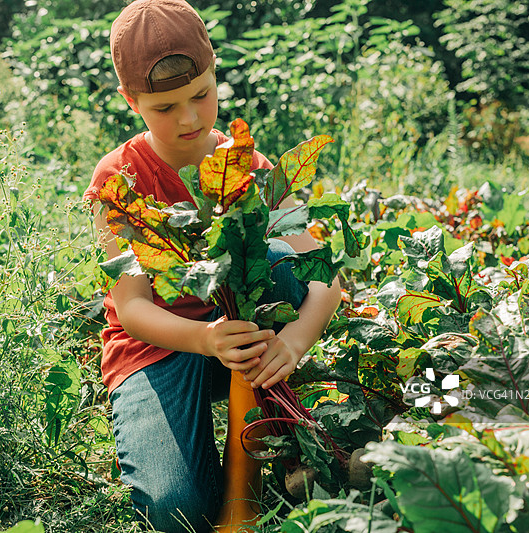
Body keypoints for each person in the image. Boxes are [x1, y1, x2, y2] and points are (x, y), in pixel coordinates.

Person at [83, 1, 342, 531]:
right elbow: (132, 310)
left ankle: (258, 465)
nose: (190, 118)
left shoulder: (247, 165)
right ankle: (161, 436)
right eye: (164, 107)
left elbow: (324, 278)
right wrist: (206, 340)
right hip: (159, 348)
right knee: (177, 513)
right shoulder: (120, 176)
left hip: (250, 344)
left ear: (215, 72)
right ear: (130, 101)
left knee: (274, 257)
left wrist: (292, 344)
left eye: (201, 95)